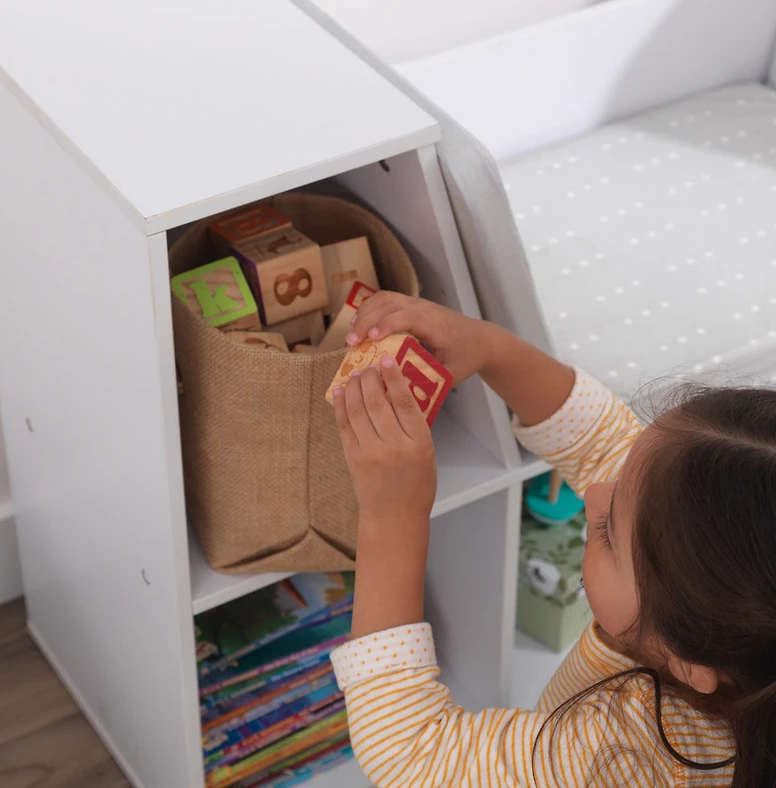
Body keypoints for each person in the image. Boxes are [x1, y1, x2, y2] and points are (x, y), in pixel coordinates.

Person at [328, 292, 776, 787]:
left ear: (689, 661)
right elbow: (603, 442)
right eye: (624, 476)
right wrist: (490, 346)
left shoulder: (628, 762)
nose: (595, 496)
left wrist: (391, 518)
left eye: (606, 532)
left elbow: (413, 752)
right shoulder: (719, 588)